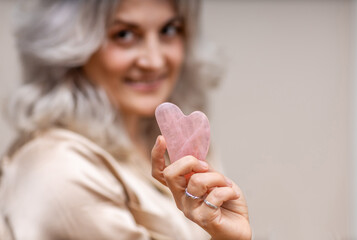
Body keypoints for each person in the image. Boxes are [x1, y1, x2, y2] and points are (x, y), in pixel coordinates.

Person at [0, 0, 251, 239]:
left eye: (169, 30)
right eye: (124, 35)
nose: (153, 61)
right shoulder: (60, 168)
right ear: (71, 45)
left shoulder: (179, 147)